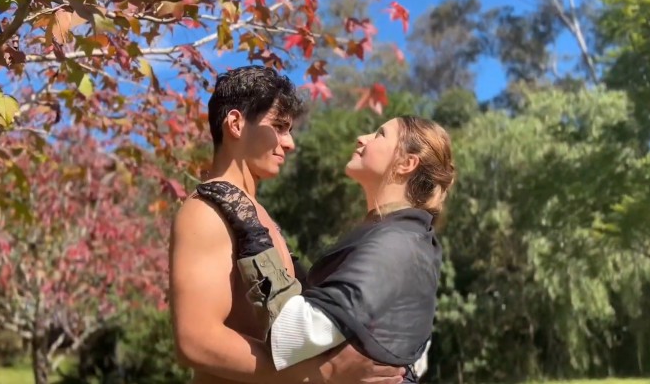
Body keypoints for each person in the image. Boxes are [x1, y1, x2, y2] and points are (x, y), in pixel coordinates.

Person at [169, 65, 407, 384]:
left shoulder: (256, 217)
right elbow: (195, 340)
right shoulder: (205, 211)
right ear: (236, 124)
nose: (290, 142)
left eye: (289, 129)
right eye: (279, 127)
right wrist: (326, 374)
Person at [195, 115, 455, 383]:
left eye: (380, 134)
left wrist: (252, 232)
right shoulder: (410, 238)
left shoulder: (397, 244)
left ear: (406, 163)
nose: (362, 138)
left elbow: (294, 334)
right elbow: (337, 317)